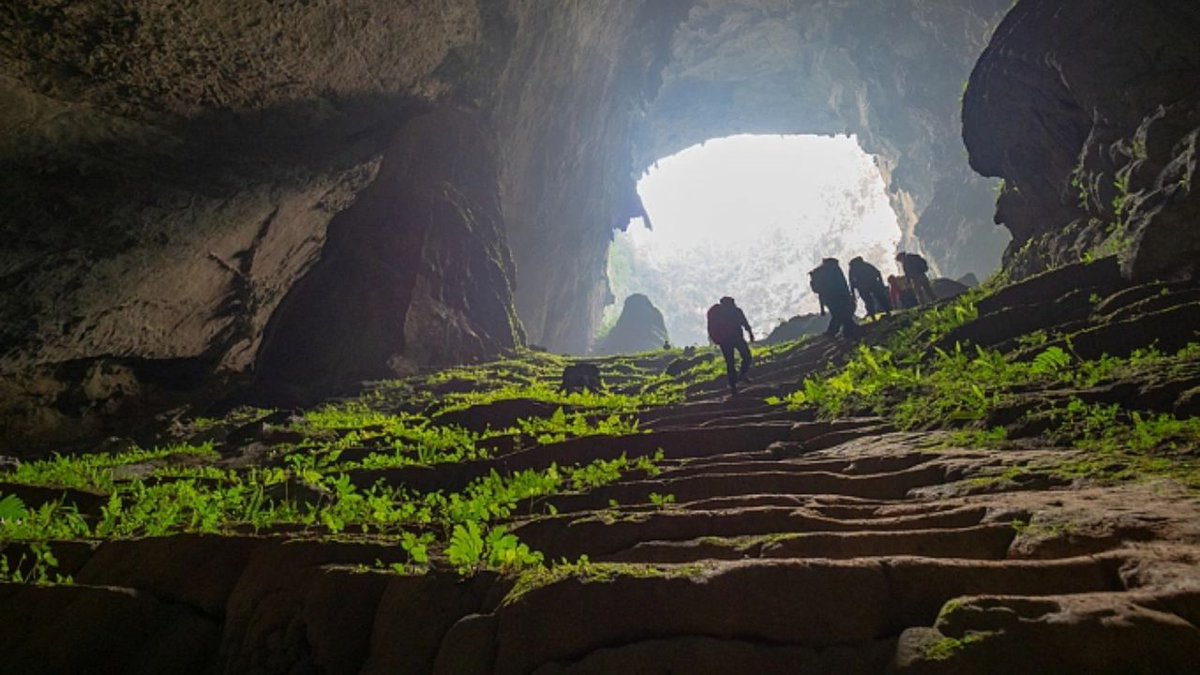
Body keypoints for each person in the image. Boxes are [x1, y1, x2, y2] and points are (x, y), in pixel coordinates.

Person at [706, 296, 755, 397]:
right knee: (746, 356)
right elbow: (744, 323)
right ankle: (741, 376)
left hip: (725, 342)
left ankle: (734, 385)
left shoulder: (720, 313)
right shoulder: (736, 311)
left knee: (731, 363)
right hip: (736, 338)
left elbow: (744, 322)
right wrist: (750, 333)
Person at [809, 258, 858, 339]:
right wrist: (849, 296)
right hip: (839, 296)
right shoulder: (835, 269)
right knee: (841, 313)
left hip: (828, 298)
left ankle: (843, 330)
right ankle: (833, 332)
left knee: (838, 314)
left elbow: (818, 289)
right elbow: (842, 284)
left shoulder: (819, 271)